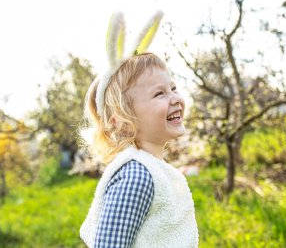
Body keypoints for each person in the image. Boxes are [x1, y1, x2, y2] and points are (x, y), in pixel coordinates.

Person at [79, 52, 199, 248]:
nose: (175, 98)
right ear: (122, 121)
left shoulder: (154, 170)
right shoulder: (137, 177)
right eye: (159, 93)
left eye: (173, 88)